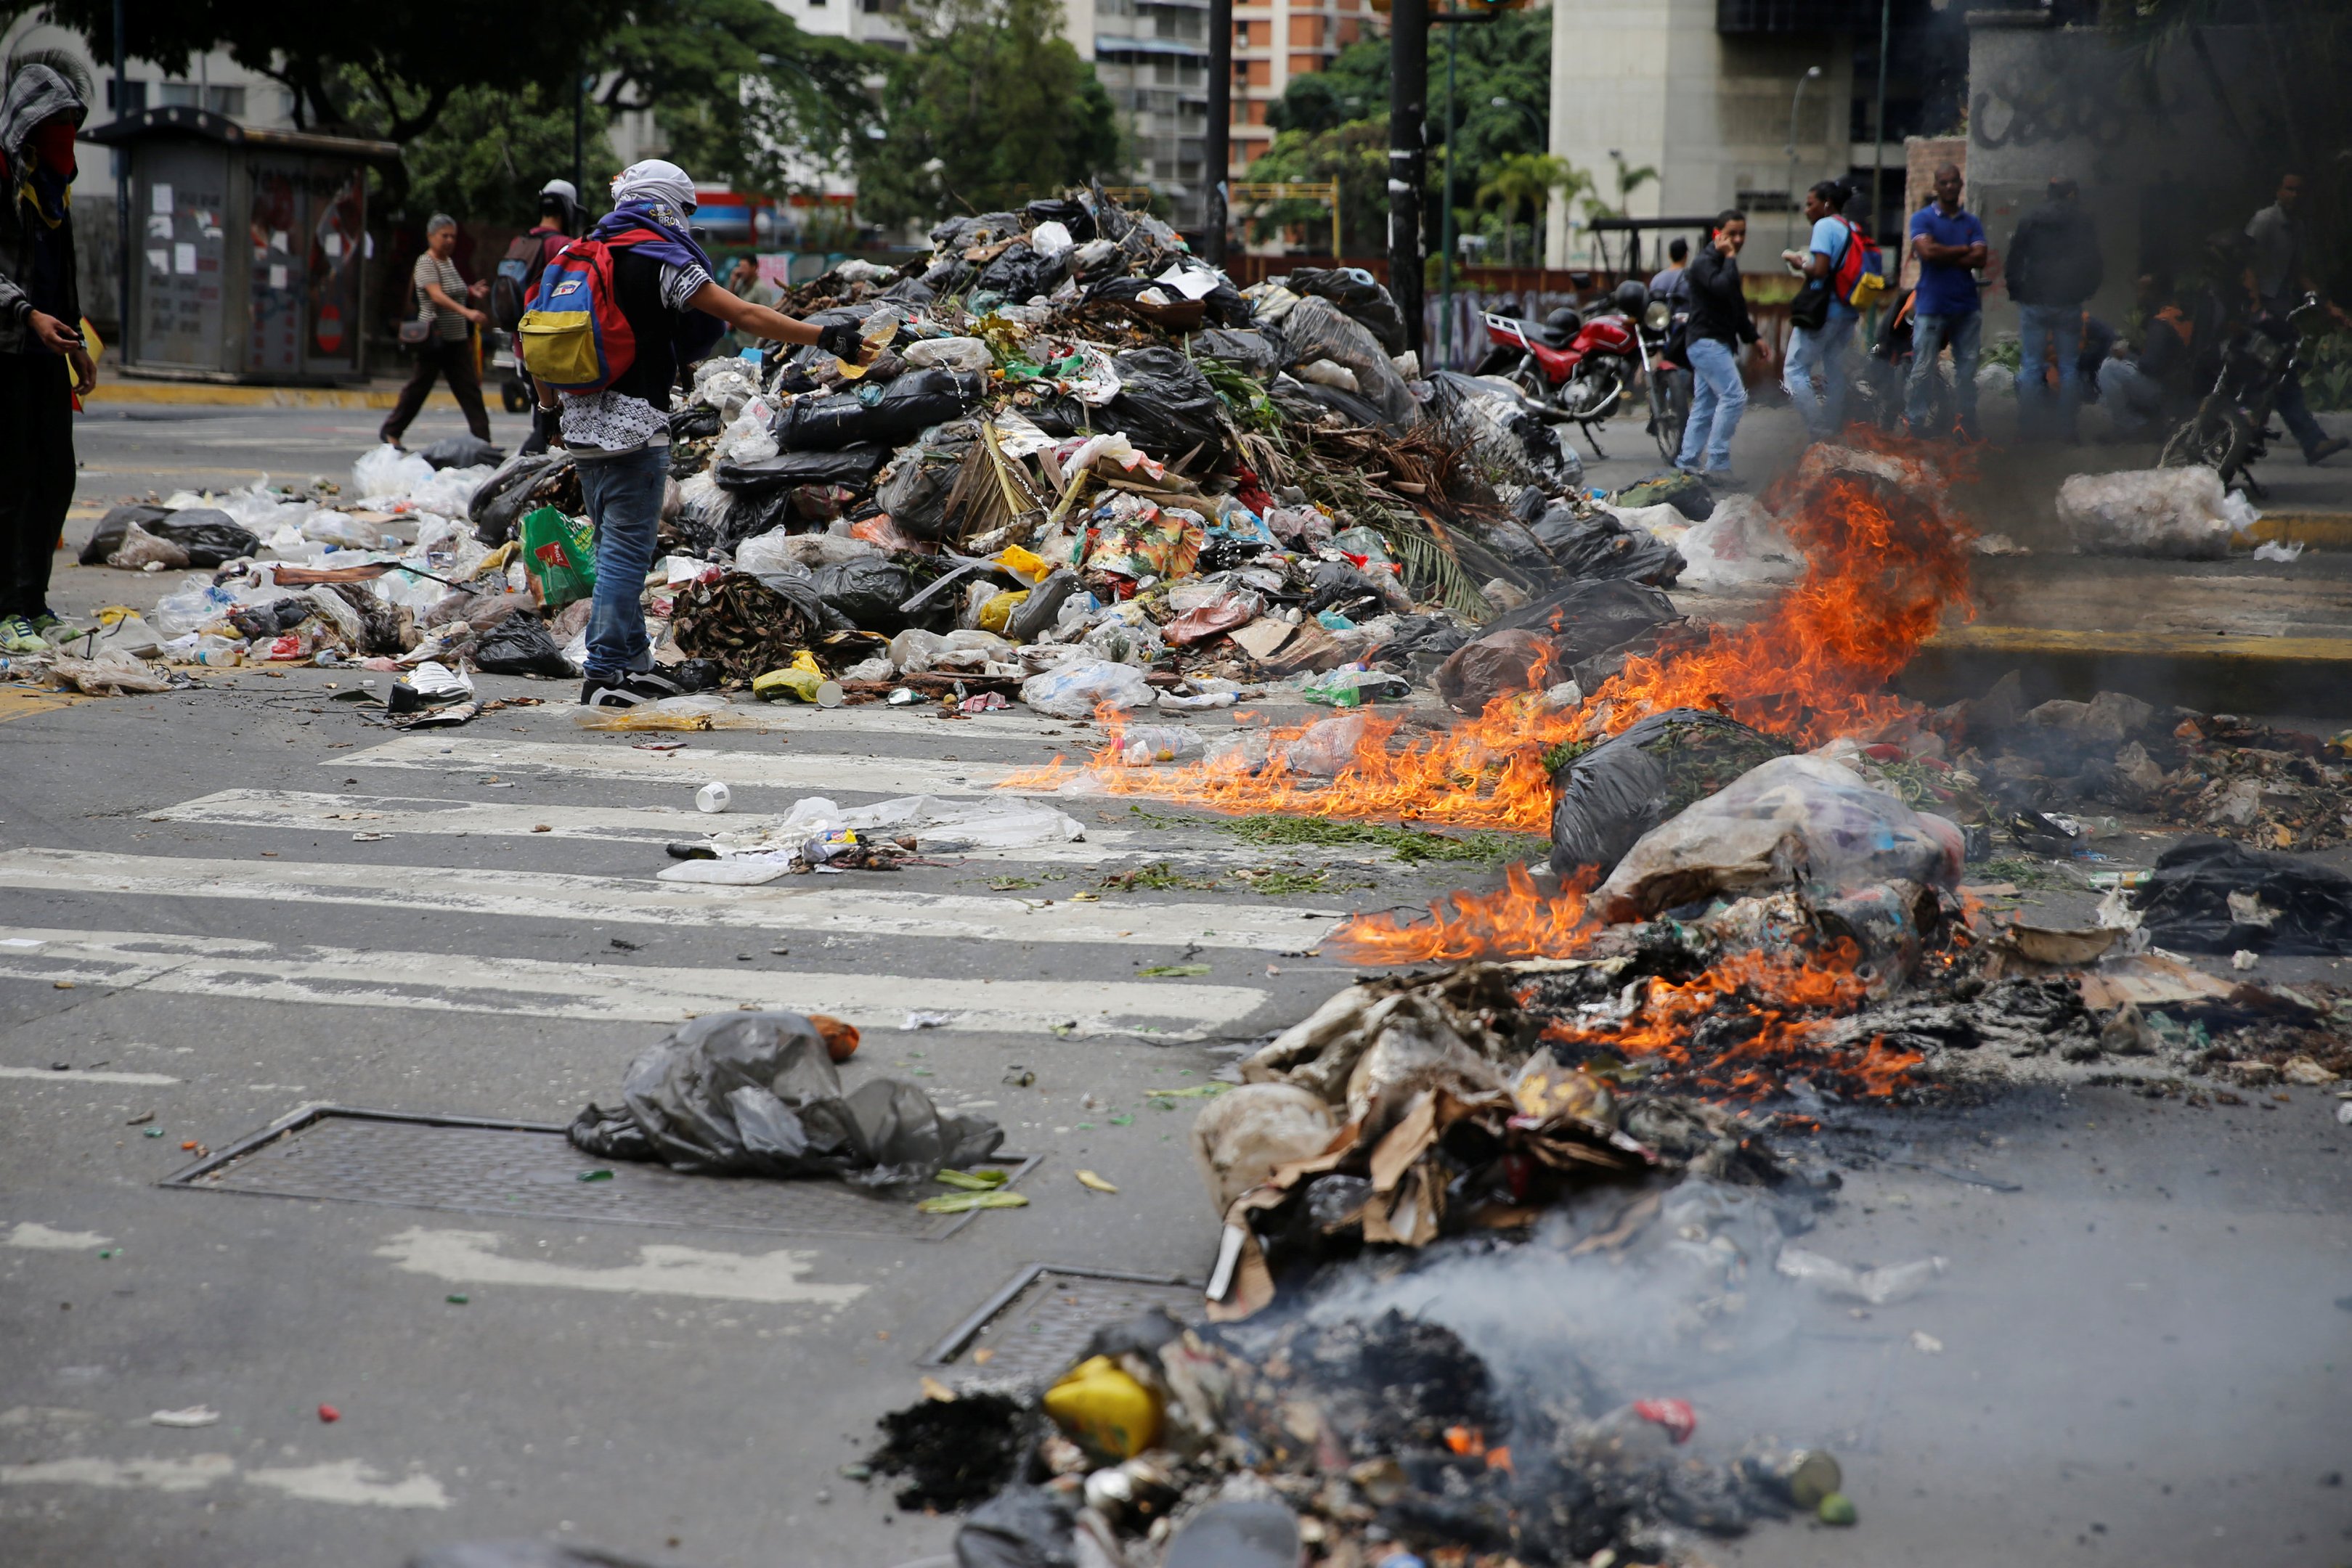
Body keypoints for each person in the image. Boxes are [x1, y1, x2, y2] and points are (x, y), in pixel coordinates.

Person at [535, 160, 868, 707]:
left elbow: (540, 345)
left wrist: (549, 412)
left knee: (612, 545)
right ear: (665, 203)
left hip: (581, 429)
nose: (685, 222)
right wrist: (823, 335)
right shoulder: (657, 258)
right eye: (684, 210)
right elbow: (741, 313)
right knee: (625, 553)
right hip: (635, 429)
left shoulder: (580, 255)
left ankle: (633, 661)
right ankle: (604, 675)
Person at [0, 58, 94, 656]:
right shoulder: (2, 179)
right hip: (6, 348)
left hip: (45, 354)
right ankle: (8, 609)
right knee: (10, 479)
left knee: (55, 475)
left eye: (71, 121)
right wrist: (24, 312)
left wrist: (79, 344)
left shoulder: (52, 188)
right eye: (55, 121)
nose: (66, 133)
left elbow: (64, 277)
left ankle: (34, 601)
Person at [2242, 171, 2351, 465]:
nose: (2294, 196)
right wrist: (2254, 306)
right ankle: (2308, 440)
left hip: (2280, 308)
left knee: (2278, 376)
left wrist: (2329, 307)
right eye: (2289, 190)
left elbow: (2298, 274)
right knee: (2271, 374)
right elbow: (2246, 262)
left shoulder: (2297, 228)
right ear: (2278, 191)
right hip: (2261, 308)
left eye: (2299, 191)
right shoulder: (2265, 221)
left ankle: (2251, 436)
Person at [2004, 176, 2103, 442]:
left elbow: (2014, 258)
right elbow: (2093, 262)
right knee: (2069, 367)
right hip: (2068, 301)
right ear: (2071, 194)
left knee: (2032, 366)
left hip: (2034, 301)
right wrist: (2085, 290)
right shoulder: (2083, 221)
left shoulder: (2031, 218)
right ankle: (2067, 431)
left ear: (2049, 193)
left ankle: (2027, 431)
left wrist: (2017, 291)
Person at [1676, 208, 1770, 485]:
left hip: (1715, 342)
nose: (1739, 240)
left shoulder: (1723, 263)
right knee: (1734, 397)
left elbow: (1736, 308)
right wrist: (1729, 257)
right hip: (1706, 342)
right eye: (1732, 234)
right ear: (1718, 234)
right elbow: (1722, 288)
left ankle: (1687, 463)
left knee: (1705, 404)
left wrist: (1754, 338)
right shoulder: (1706, 262)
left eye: (1742, 234)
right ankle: (1717, 462)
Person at [382, 214, 492, 447]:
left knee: (469, 390)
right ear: (431, 236)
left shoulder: (448, 262)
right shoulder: (426, 262)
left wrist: (471, 292)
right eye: (445, 236)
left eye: (453, 236)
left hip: (456, 339)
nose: (450, 240)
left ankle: (484, 440)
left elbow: (453, 291)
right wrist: (468, 313)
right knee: (418, 389)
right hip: (434, 338)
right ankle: (391, 431)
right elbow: (437, 295)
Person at [1905, 162, 1987, 440]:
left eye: (1954, 181)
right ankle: (1915, 424)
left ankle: (1965, 424)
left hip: (1966, 307)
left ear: (1960, 184)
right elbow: (1927, 252)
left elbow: (1981, 258)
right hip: (1931, 306)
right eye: (1944, 182)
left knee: (1967, 372)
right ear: (1935, 186)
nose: (1950, 186)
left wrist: (1945, 251)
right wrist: (1964, 250)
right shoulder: (1922, 219)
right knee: (1922, 369)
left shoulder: (1972, 222)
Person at [1779, 179, 1863, 443]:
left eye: (1810, 204)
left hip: (1823, 311)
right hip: (1847, 311)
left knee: (1794, 370)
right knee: (1835, 371)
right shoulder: (1852, 228)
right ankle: (1833, 425)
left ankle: (1819, 430)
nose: (1806, 210)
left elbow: (1821, 270)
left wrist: (1798, 261)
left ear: (1826, 204)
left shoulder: (1825, 226)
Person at [511, 179, 584, 457]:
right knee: (548, 423)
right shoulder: (563, 246)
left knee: (540, 414)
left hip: (520, 343)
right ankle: (523, 473)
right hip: (549, 346)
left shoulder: (521, 240)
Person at [1646, 237, 1691, 311]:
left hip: (1661, 320)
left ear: (1669, 255)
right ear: (1686, 255)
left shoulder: (1657, 279)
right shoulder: (1691, 278)